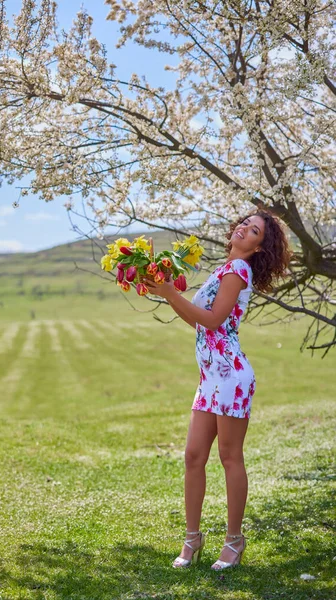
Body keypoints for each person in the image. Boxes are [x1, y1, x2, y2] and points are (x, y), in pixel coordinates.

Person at [142, 209, 291, 570]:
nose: (244, 228)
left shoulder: (239, 271)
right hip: (210, 377)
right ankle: (192, 539)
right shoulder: (224, 269)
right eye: (244, 223)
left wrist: (167, 293)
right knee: (193, 456)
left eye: (254, 230)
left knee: (229, 457)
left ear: (258, 247)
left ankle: (234, 541)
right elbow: (196, 319)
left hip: (231, 378)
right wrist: (166, 291)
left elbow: (212, 320)